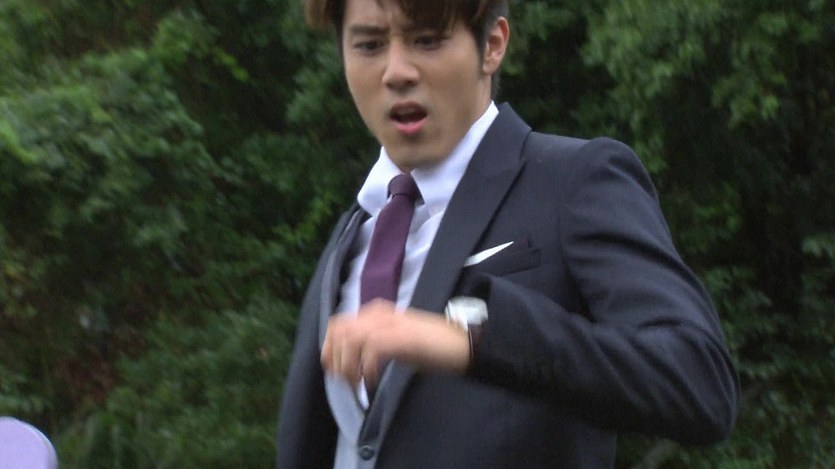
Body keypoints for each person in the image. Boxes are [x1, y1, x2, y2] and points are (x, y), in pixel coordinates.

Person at [276, 0, 740, 468]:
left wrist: (476, 336)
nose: (397, 71)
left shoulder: (574, 181)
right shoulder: (348, 237)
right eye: (370, 45)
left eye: (427, 40)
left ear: (493, 45)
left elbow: (699, 382)